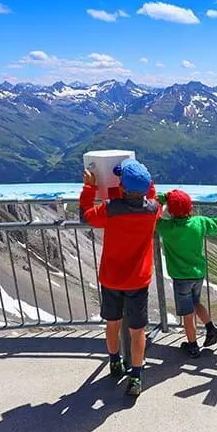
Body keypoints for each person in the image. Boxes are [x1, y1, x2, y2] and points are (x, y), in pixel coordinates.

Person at [79, 158, 160, 396]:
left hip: (112, 279)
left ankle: (114, 361)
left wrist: (89, 188)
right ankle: (136, 376)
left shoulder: (110, 209)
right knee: (137, 331)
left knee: (112, 323)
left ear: (122, 187)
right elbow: (152, 195)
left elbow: (86, 216)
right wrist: (144, 179)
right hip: (138, 281)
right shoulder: (153, 211)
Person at [156, 189, 217, 357]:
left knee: (187, 315)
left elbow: (153, 211)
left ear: (171, 210)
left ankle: (193, 346)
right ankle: (211, 329)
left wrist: (163, 198)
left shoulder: (166, 227)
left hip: (181, 278)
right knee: (196, 301)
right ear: (190, 207)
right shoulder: (200, 222)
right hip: (198, 273)